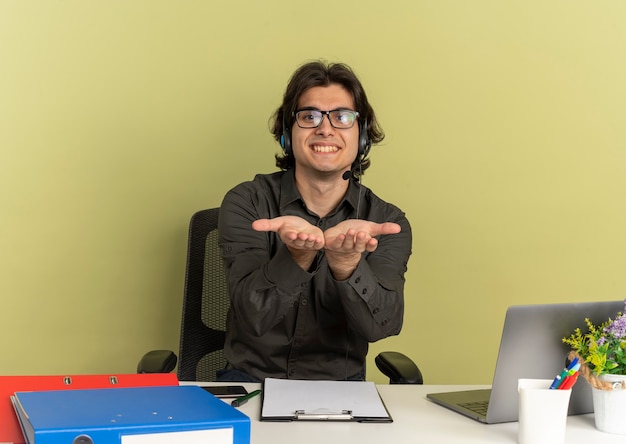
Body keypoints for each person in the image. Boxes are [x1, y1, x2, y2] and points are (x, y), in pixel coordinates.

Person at [217, 60, 412, 382]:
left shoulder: (386, 221)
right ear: (286, 133)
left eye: (342, 117)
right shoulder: (247, 202)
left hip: (341, 392)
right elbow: (252, 318)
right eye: (309, 116)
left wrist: (348, 264)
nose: (325, 129)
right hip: (251, 382)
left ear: (362, 136)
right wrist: (298, 257)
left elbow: (383, 326)